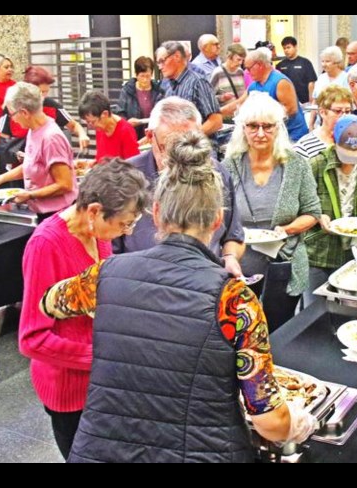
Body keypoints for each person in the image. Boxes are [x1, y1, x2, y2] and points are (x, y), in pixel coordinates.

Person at [40, 133, 318, 462]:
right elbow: (269, 420)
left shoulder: (105, 275)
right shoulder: (235, 300)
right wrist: (295, 424)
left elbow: (50, 302)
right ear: (217, 220)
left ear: (156, 213)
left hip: (103, 451)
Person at [20, 160, 149, 459]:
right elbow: (32, 339)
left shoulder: (96, 235)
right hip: (68, 389)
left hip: (99, 382)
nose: (126, 232)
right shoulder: (46, 245)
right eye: (123, 224)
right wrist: (101, 357)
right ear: (93, 211)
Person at [223, 93, 321, 332]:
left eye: (267, 126)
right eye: (253, 126)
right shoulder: (229, 165)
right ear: (242, 128)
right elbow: (220, 216)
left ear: (278, 128)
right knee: (240, 333)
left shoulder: (296, 164)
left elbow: (313, 212)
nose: (260, 133)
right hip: (239, 268)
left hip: (284, 266)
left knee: (277, 332)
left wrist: (285, 230)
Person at [120, 97, 245, 278]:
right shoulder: (127, 178)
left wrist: (230, 257)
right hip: (142, 283)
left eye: (188, 146)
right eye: (168, 148)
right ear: (149, 137)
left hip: (204, 282)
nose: (179, 160)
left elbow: (234, 236)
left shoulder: (216, 173)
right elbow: (109, 249)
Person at [304, 115, 357, 305]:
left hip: (353, 249)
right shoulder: (316, 165)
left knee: (351, 309)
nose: (351, 161)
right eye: (346, 153)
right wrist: (317, 215)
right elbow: (302, 200)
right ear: (333, 140)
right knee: (314, 311)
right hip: (319, 251)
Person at [0, 82, 78, 222]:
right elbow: (30, 164)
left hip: (58, 215)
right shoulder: (34, 130)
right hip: (44, 213)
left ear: (24, 113)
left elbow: (65, 184)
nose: (12, 119)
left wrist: (30, 195)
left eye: (12, 114)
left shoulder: (51, 138)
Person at [0, 65, 88, 153]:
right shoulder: (12, 108)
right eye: (40, 92)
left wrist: (82, 134)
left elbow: (73, 125)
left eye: (46, 92)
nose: (43, 96)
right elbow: (3, 142)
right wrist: (16, 154)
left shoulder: (52, 106)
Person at [157, 41, 223, 135]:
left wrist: (188, 139)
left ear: (177, 56)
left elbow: (216, 121)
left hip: (198, 146)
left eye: (162, 61)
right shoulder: (167, 86)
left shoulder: (198, 82)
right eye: (158, 63)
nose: (160, 67)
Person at [244, 47, 308, 142]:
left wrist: (265, 119)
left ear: (260, 65)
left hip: (292, 135)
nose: (247, 72)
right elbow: (240, 103)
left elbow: (291, 109)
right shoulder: (253, 86)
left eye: (249, 68)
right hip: (273, 135)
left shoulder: (280, 82)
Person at [293, 84, 354, 159]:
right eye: (338, 111)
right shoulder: (304, 148)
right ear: (322, 112)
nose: (344, 116)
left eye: (347, 111)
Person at [77, 90, 139, 163]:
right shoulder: (100, 128)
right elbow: (101, 157)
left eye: (92, 122)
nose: (90, 126)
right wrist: (95, 163)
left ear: (105, 114)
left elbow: (133, 165)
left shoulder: (125, 131)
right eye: (88, 122)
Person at [118, 56, 165, 138]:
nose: (145, 80)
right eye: (142, 76)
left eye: (148, 76)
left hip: (154, 135)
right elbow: (120, 113)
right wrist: (127, 123)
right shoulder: (127, 91)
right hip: (133, 135)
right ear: (136, 75)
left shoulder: (158, 91)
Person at [210, 43, 248, 124]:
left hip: (240, 116)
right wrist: (222, 97)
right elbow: (209, 98)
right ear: (229, 57)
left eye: (242, 60)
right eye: (238, 59)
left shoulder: (240, 71)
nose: (241, 63)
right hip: (225, 118)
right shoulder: (218, 73)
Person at [276, 36, 317, 104]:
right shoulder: (280, 65)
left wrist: (311, 99)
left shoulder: (305, 62)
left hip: (304, 101)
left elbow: (311, 83)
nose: (286, 50)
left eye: (288, 47)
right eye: (284, 48)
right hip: (286, 101)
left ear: (295, 47)